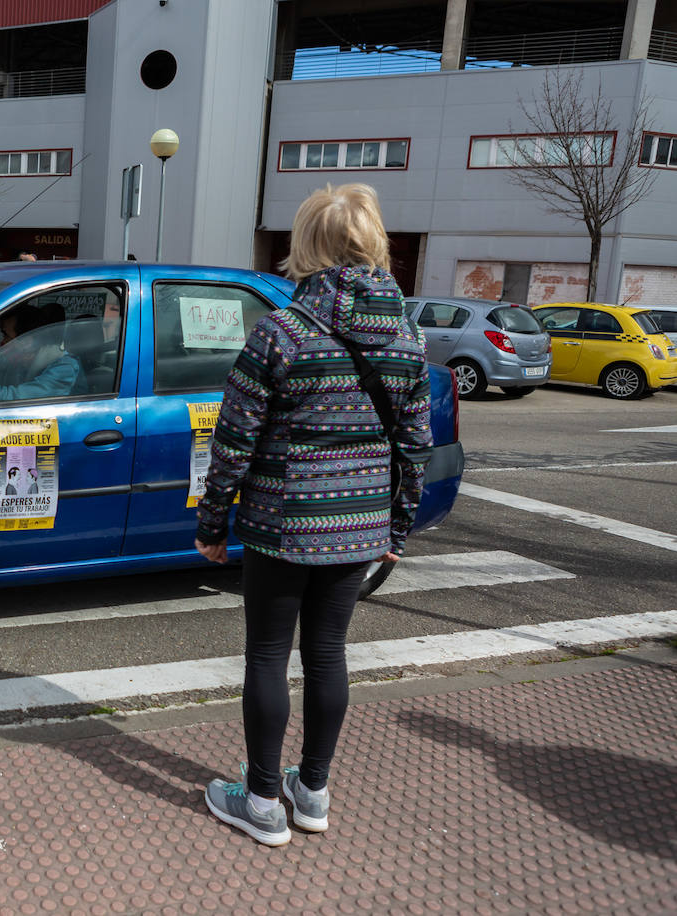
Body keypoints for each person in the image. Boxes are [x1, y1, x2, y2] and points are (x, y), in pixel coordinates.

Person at [194, 183, 432, 847]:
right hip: (359, 528)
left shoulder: (281, 333)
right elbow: (415, 448)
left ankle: (263, 800)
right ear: (373, 243)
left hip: (282, 524)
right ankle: (314, 790)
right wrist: (398, 530)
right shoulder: (407, 340)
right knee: (328, 653)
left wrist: (213, 524)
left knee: (268, 654)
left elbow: (234, 439)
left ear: (307, 247)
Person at [0, 303, 81, 402]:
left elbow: (13, 399)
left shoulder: (64, 368)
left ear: (27, 341)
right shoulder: (15, 362)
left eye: (6, 335)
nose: (3, 342)